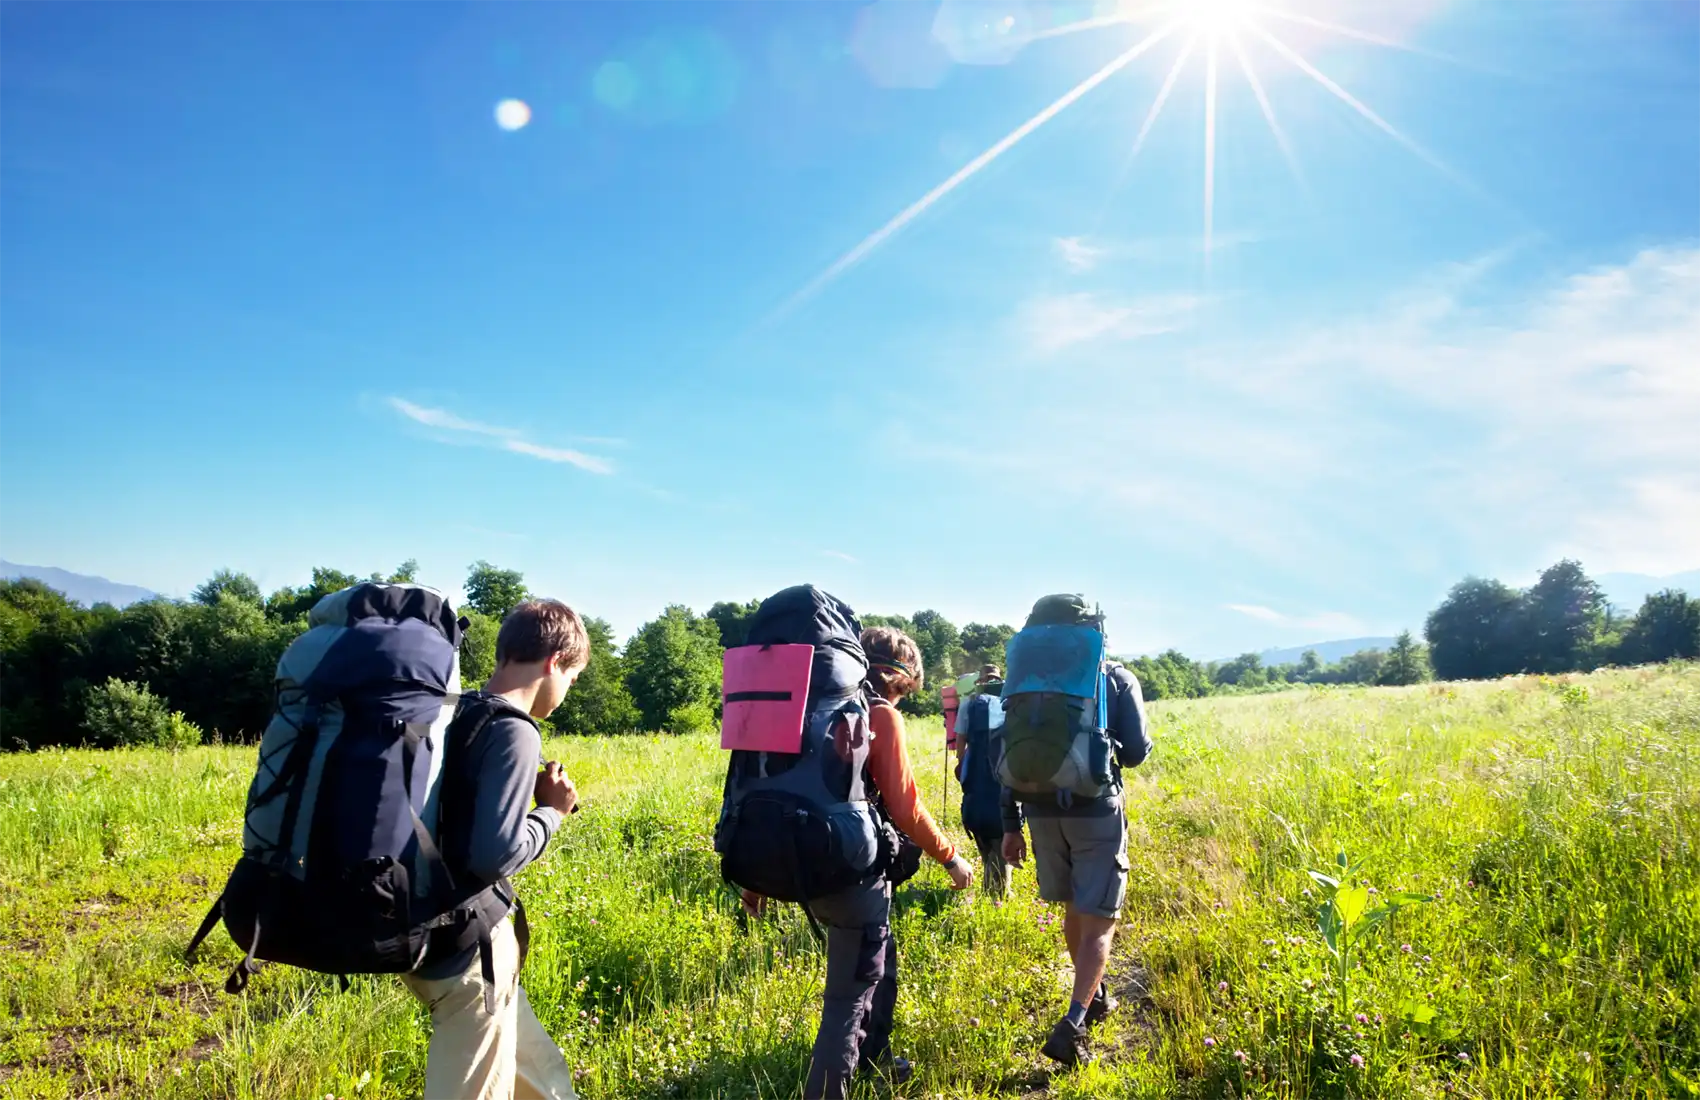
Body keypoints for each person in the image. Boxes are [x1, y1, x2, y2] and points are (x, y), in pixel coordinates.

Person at [744, 625, 974, 1100]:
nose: (903, 700)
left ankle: (876, 1057)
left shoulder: (803, 710)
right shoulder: (880, 715)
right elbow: (906, 807)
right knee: (845, 1001)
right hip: (853, 874)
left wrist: (757, 879)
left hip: (795, 868)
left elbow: (767, 792)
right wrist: (951, 858)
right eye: (906, 692)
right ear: (900, 680)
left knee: (879, 963)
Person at [403, 598, 588, 1100]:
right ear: (554, 661)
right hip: (465, 951)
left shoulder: (453, 710)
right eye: (573, 677)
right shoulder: (514, 728)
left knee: (538, 1071)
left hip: (424, 919)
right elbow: (495, 854)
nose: (568, 691)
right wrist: (551, 812)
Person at [999, 596, 1152, 1069]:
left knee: (1073, 909)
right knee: (1100, 920)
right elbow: (1136, 754)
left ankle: (1096, 994)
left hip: (1040, 811)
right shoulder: (1113, 676)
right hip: (1095, 809)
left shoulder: (1021, 680)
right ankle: (1074, 1021)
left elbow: (1012, 751)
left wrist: (1011, 827)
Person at [954, 664, 1011, 898]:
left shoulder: (969, 702)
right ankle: (998, 897)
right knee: (1001, 834)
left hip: (975, 777)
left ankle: (992, 888)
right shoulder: (1007, 699)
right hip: (1000, 777)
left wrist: (961, 764)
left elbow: (959, 741)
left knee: (983, 833)